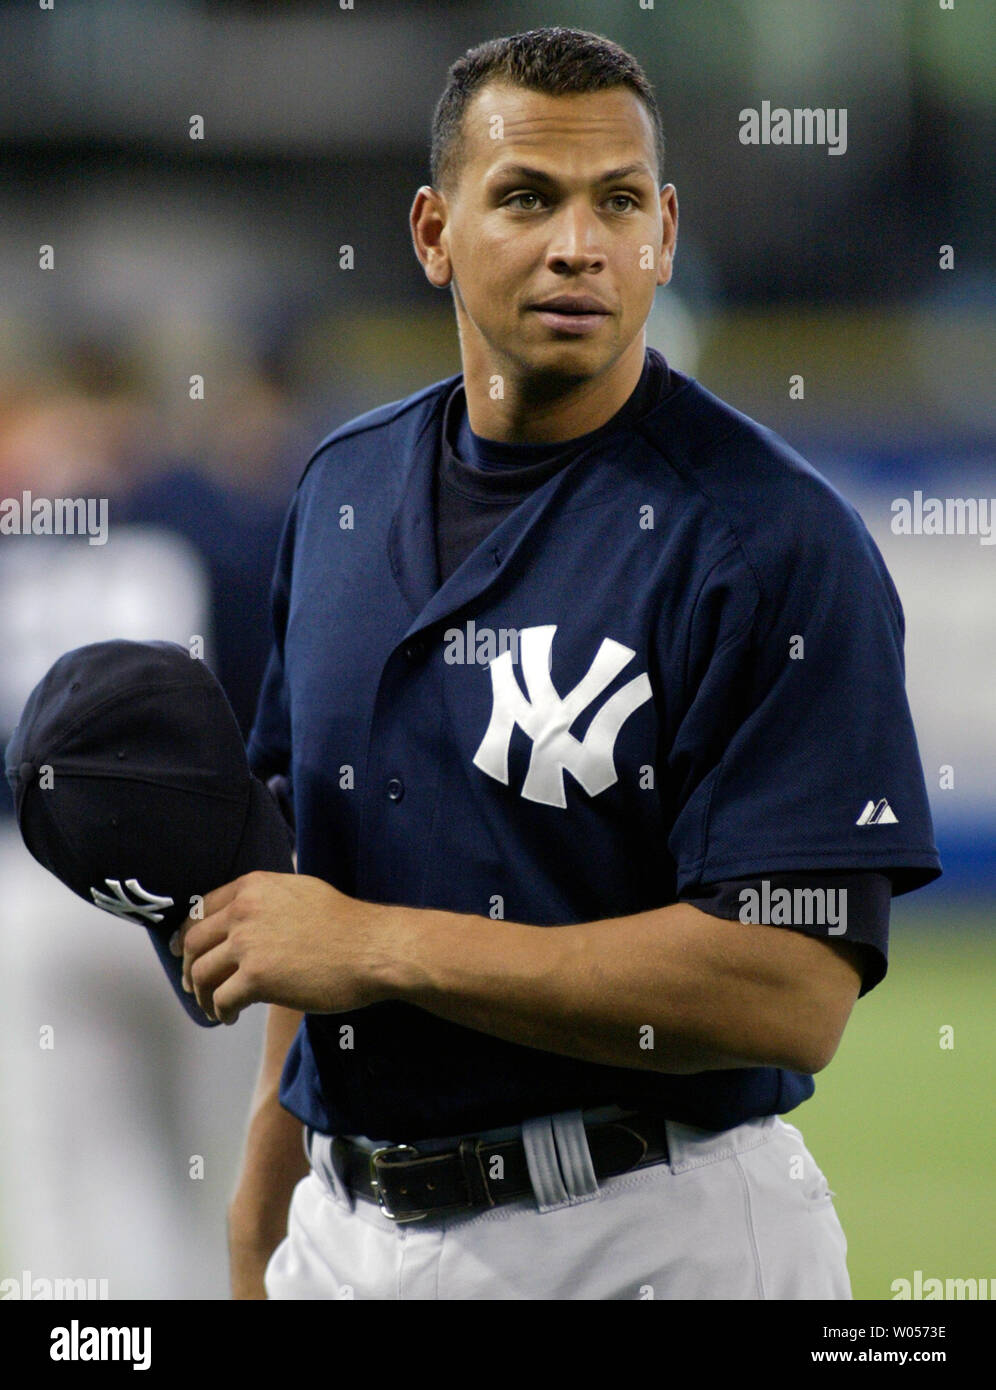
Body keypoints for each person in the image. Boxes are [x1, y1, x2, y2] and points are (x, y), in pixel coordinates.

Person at [173, 26, 941, 1300]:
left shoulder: (773, 539)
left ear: (666, 233)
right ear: (433, 233)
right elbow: (312, 884)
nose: (578, 242)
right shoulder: (342, 490)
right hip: (347, 1227)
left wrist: (385, 945)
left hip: (645, 1229)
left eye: (618, 201)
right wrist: (270, 1178)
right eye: (527, 196)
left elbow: (790, 988)